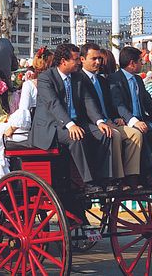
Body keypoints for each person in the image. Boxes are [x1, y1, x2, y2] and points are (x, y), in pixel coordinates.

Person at [29, 43, 104, 194]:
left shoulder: (77, 77)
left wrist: (99, 121)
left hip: (75, 123)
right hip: (52, 127)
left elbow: (87, 100)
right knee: (75, 137)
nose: (79, 62)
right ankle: (87, 182)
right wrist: (70, 125)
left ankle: (104, 176)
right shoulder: (46, 78)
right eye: (76, 59)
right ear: (64, 61)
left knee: (104, 134)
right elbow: (53, 103)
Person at [75, 43, 143, 190]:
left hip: (109, 121)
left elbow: (110, 104)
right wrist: (101, 121)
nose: (98, 62)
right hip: (90, 124)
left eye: (99, 58)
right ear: (82, 59)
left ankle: (131, 176)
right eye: (93, 59)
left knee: (135, 134)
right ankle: (115, 179)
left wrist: (116, 117)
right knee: (115, 135)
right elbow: (84, 108)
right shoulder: (78, 80)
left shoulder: (102, 80)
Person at [108, 46, 152, 187]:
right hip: (126, 122)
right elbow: (118, 104)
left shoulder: (138, 80)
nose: (142, 64)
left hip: (144, 120)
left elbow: (149, 102)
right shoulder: (114, 79)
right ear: (132, 63)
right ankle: (147, 175)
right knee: (139, 133)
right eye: (140, 61)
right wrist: (134, 121)